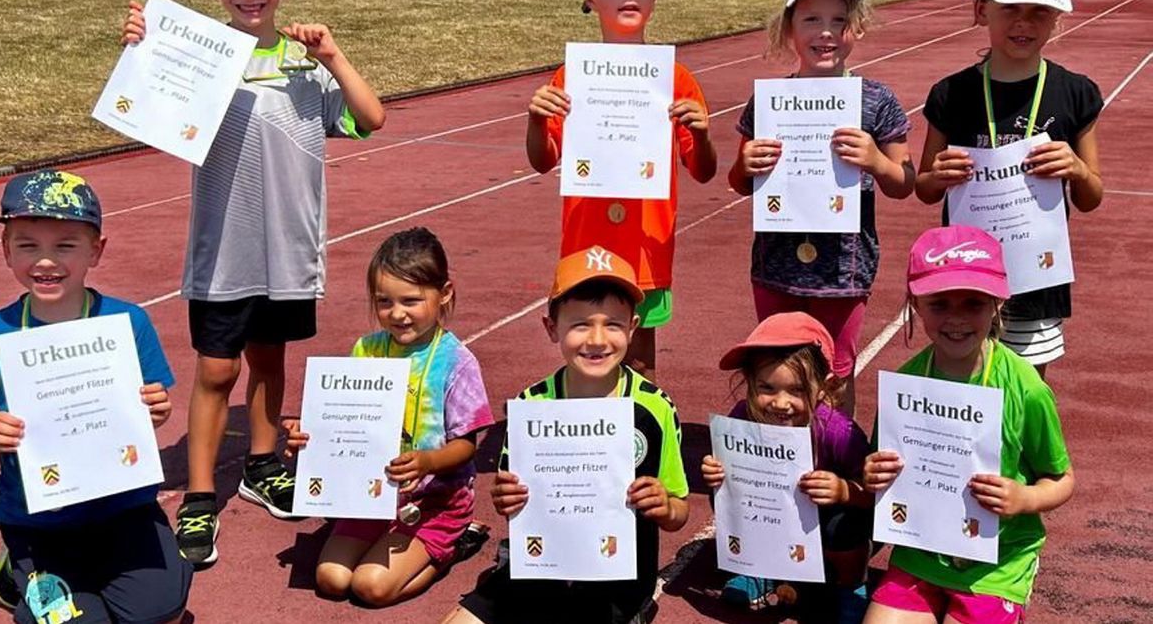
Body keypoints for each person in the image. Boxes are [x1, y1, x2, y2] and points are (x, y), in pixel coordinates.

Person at [120, 0, 387, 565]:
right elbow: (140, 110)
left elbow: (371, 118)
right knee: (216, 371)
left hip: (289, 250)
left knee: (270, 361)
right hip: (223, 252)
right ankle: (199, 494)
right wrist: (139, 51)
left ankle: (263, 465)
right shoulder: (195, 57)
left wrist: (333, 56)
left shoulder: (303, 63)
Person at [0, 170, 192, 624]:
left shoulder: (127, 322)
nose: (46, 261)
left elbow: (152, 407)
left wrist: (156, 409)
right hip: (38, 521)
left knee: (158, 609)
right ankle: (18, 569)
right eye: (27, 245)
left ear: (96, 251)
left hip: (124, 511)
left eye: (65, 245)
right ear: (6, 251)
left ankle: (110, 571)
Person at [442, 245, 689, 624]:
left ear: (634, 328)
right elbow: (513, 504)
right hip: (543, 566)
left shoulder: (655, 407)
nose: (596, 339)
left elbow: (678, 512)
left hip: (615, 578)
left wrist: (664, 504)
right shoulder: (531, 405)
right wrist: (505, 498)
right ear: (551, 327)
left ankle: (639, 607)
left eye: (612, 324)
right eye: (580, 324)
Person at [727, 0, 914, 415]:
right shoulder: (769, 102)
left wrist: (874, 160)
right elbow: (742, 183)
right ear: (789, 28)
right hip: (776, 267)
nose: (825, 31)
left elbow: (904, 181)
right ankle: (776, 470)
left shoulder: (876, 100)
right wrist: (744, 165)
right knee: (775, 372)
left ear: (858, 27)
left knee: (835, 375)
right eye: (811, 19)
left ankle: (834, 463)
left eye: (839, 19)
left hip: (844, 273)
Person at [863, 225, 1074, 623]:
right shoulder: (905, 386)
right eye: (940, 304)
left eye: (973, 303)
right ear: (916, 304)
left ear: (997, 303)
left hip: (997, 563)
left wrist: (1025, 499)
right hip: (919, 553)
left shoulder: (1026, 388)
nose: (956, 319)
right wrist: (873, 473)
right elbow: (881, 472)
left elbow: (1062, 479)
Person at [525, 0, 718, 381]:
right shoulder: (569, 76)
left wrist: (702, 133)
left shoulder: (677, 79)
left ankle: (640, 444)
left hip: (646, 249)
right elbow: (544, 160)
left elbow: (703, 170)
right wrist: (537, 119)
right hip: (585, 246)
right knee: (587, 358)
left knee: (642, 362)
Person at [914, 0, 1103, 377]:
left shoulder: (1075, 93)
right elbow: (924, 188)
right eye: (1010, 9)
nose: (1024, 23)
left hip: (1036, 277)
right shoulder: (951, 94)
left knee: (1026, 386)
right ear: (982, 10)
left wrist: (1075, 167)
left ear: (1058, 15)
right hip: (964, 279)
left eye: (1040, 11)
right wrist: (938, 175)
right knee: (967, 383)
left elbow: (1092, 195)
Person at [283, 228, 494, 606]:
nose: (397, 314)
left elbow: (466, 445)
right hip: (370, 496)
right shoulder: (367, 349)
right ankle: (396, 545)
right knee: (331, 579)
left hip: (433, 502)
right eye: (384, 302)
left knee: (370, 587)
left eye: (411, 300)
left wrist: (427, 460)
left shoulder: (456, 362)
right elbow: (341, 423)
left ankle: (453, 544)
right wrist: (310, 438)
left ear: (444, 294)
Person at [701, 312, 872, 622]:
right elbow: (728, 476)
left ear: (825, 387)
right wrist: (716, 473)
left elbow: (875, 496)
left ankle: (852, 585)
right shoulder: (742, 416)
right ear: (749, 382)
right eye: (767, 388)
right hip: (774, 519)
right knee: (724, 491)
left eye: (796, 390)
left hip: (828, 527)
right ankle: (760, 569)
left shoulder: (838, 431)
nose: (781, 403)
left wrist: (844, 489)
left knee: (845, 521)